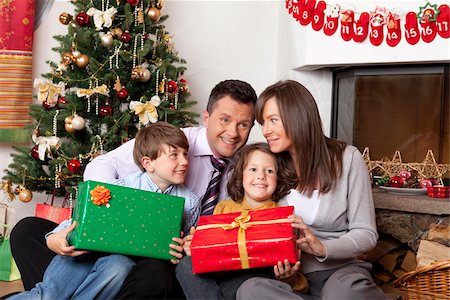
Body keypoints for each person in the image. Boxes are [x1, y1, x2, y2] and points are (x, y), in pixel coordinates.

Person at [10, 79, 257, 298]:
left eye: (244, 125)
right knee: (27, 230)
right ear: (206, 117)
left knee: (153, 272)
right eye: (225, 120)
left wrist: (191, 242)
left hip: (162, 256)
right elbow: (101, 164)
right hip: (118, 238)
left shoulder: (248, 170)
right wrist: (117, 210)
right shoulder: (171, 142)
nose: (233, 133)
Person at [236, 80, 385, 300]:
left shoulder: (348, 159)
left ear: (298, 118)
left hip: (343, 273)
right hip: (297, 280)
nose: (265, 131)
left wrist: (322, 247)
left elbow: (366, 233)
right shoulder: (270, 165)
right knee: (250, 290)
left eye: (273, 121)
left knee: (340, 293)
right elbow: (246, 215)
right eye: (263, 123)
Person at [9, 122, 193, 300]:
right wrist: (55, 237)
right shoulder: (122, 189)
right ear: (148, 163)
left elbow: (183, 245)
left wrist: (185, 247)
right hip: (85, 254)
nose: (185, 161)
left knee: (119, 266)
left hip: (121, 265)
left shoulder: (191, 202)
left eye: (186, 154)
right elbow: (84, 218)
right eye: (174, 155)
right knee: (47, 295)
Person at [176, 142, 308, 299]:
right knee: (185, 264)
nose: (261, 176)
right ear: (241, 175)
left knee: (248, 283)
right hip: (223, 273)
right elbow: (213, 255)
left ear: (278, 178)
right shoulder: (223, 208)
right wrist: (197, 247)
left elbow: (298, 277)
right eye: (253, 169)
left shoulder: (283, 217)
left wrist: (289, 277)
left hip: (257, 279)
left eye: (269, 171)